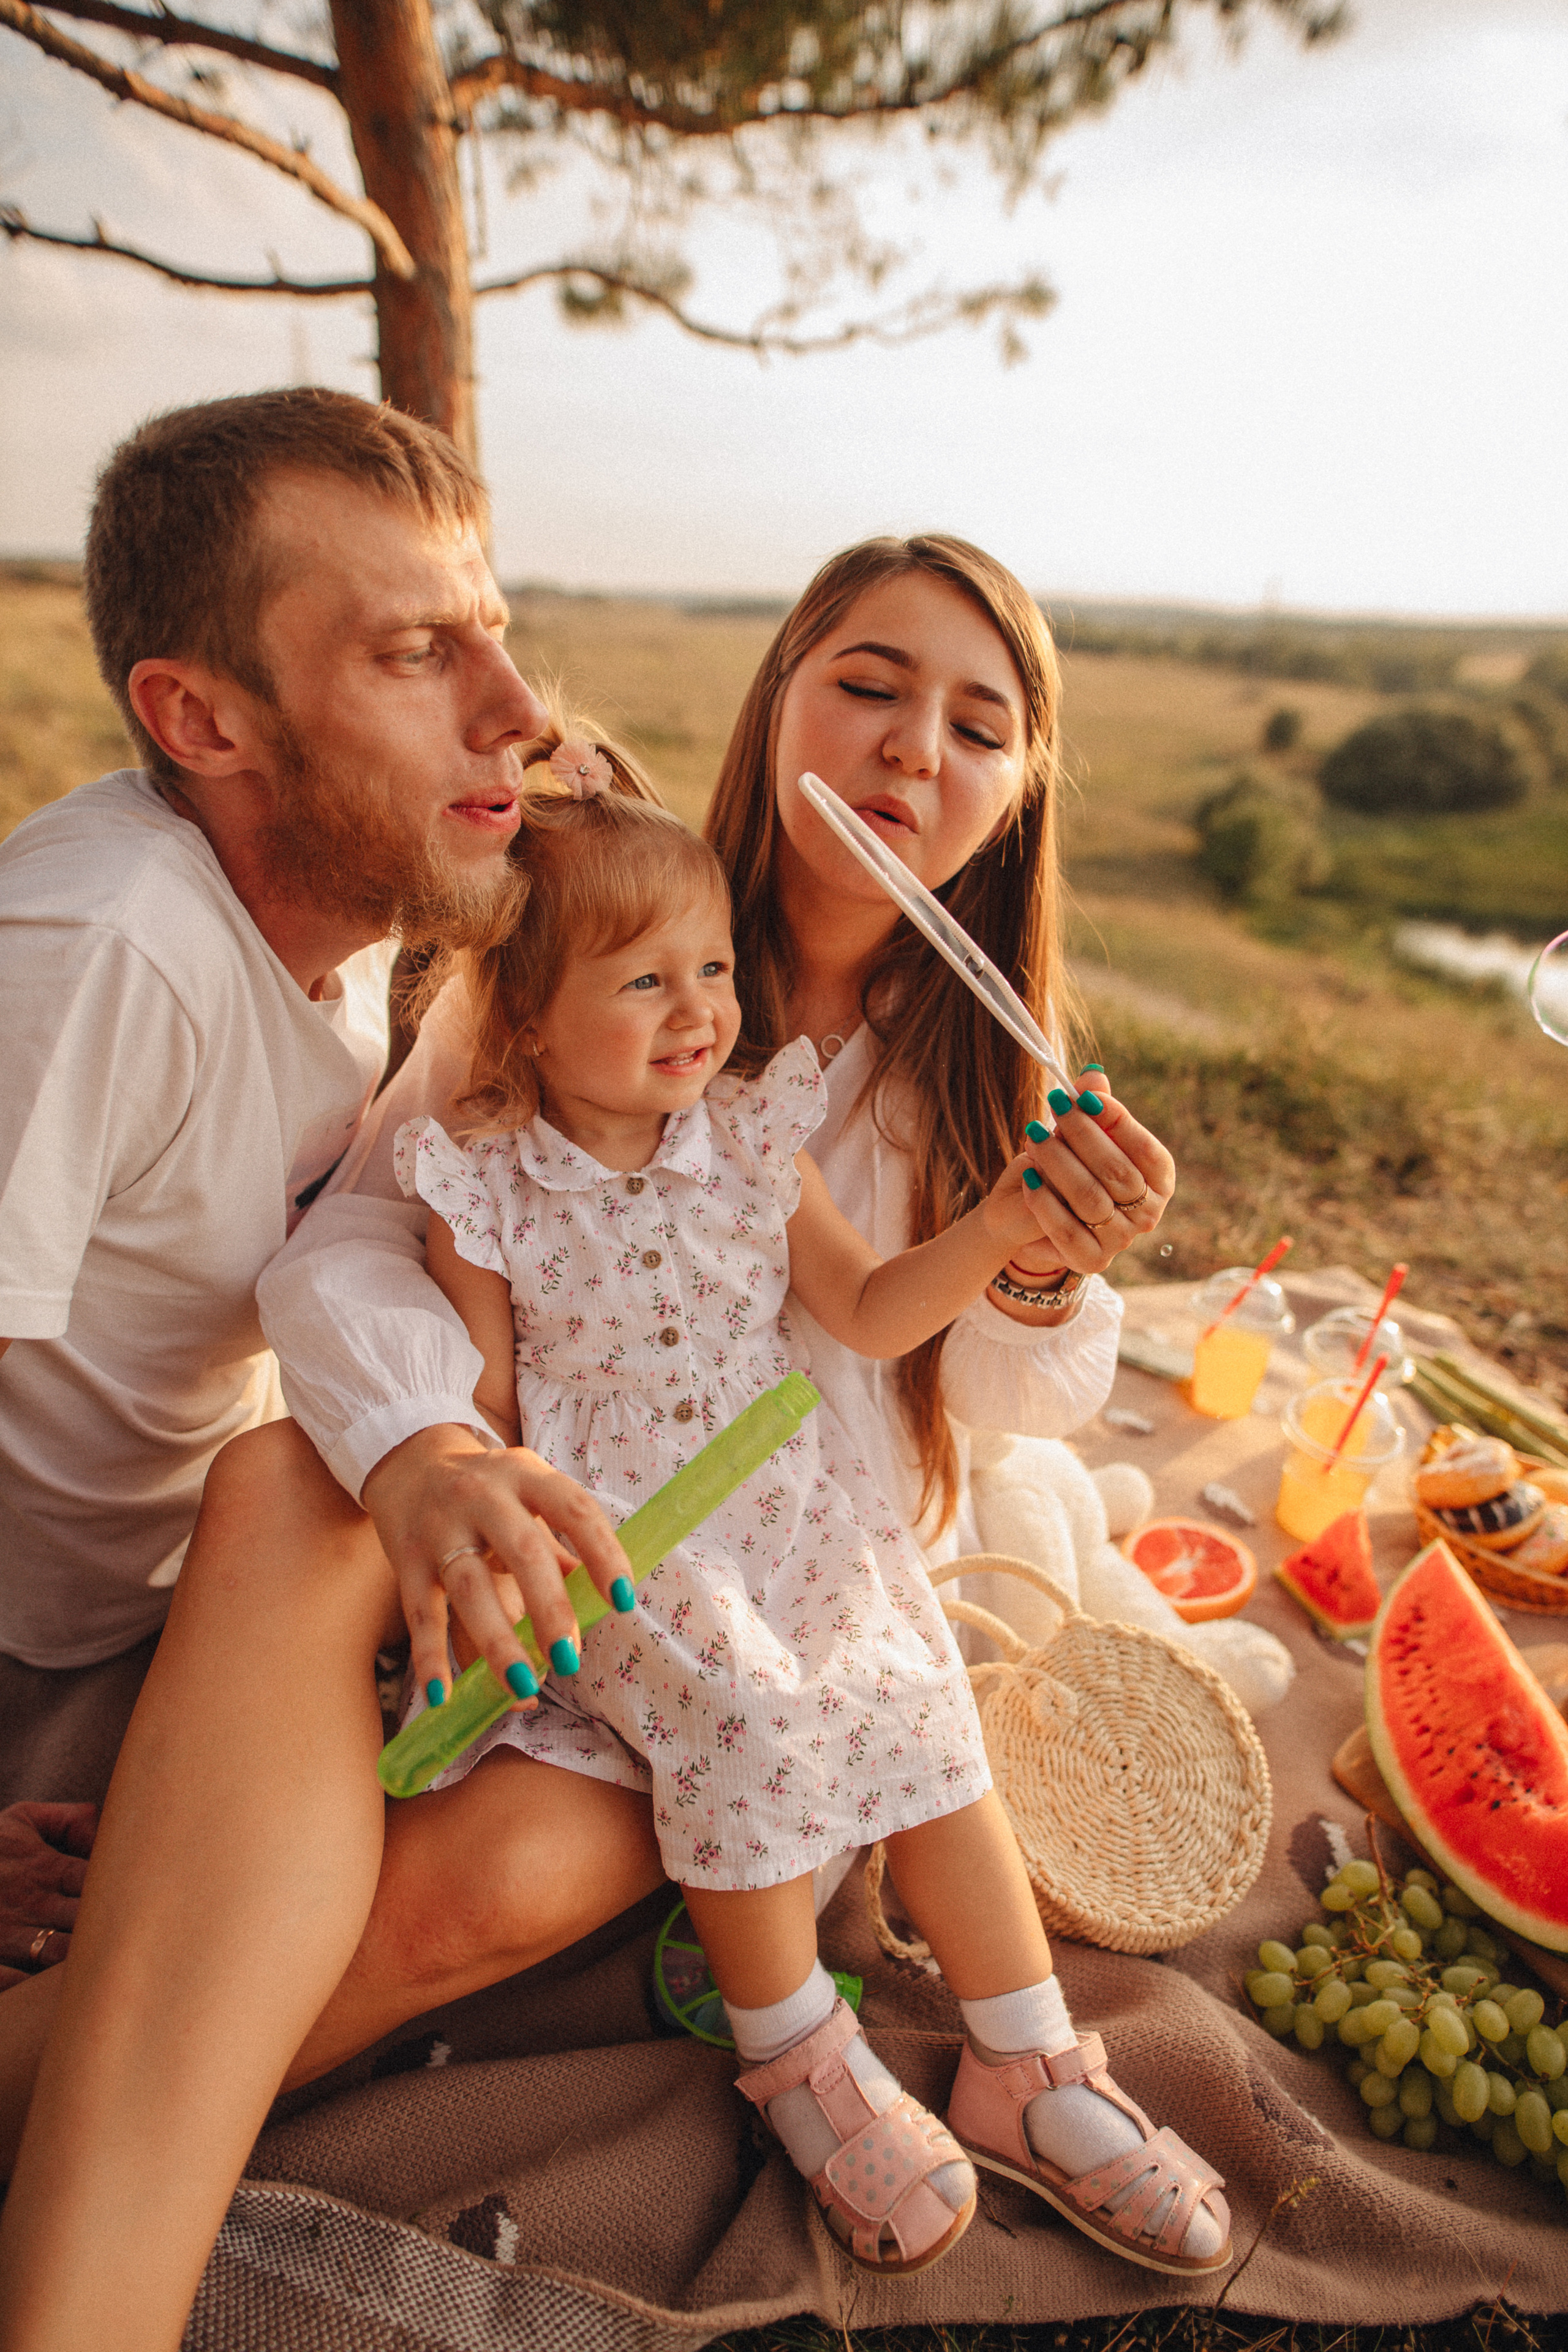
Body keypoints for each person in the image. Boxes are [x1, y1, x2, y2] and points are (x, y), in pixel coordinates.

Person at [0, 390, 669, 2351]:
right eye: (414, 653)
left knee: (616, 1801)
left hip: (169, 1605)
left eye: (496, 630)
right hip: (45, 1651)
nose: (520, 707)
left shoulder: (362, 922)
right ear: (202, 720)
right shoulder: (96, 943)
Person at [381, 750, 1230, 2277]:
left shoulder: (753, 1142)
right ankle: (801, 2058)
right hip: (624, 1541)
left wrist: (1005, 1227)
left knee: (922, 1707)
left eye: (710, 967)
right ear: (522, 1015)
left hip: (783, 1498)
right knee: (752, 1717)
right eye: (642, 981)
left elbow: (874, 1311)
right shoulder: (484, 1187)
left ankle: (1024, 2060)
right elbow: (488, 1415)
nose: (700, 1010)